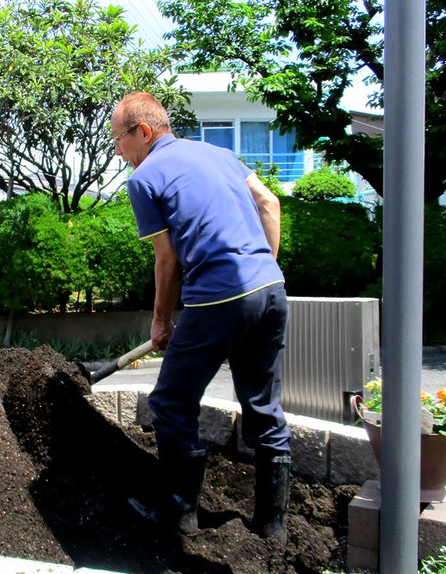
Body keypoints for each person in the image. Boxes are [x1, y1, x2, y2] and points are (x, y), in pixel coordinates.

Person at [111, 92, 291, 539]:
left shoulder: (146, 177)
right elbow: (270, 203)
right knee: (263, 407)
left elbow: (167, 261)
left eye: (118, 139)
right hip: (270, 291)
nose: (117, 151)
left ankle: (178, 514)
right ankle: (273, 526)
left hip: (217, 299)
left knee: (170, 403)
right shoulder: (220, 153)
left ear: (144, 132)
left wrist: (160, 322)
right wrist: (262, 267)